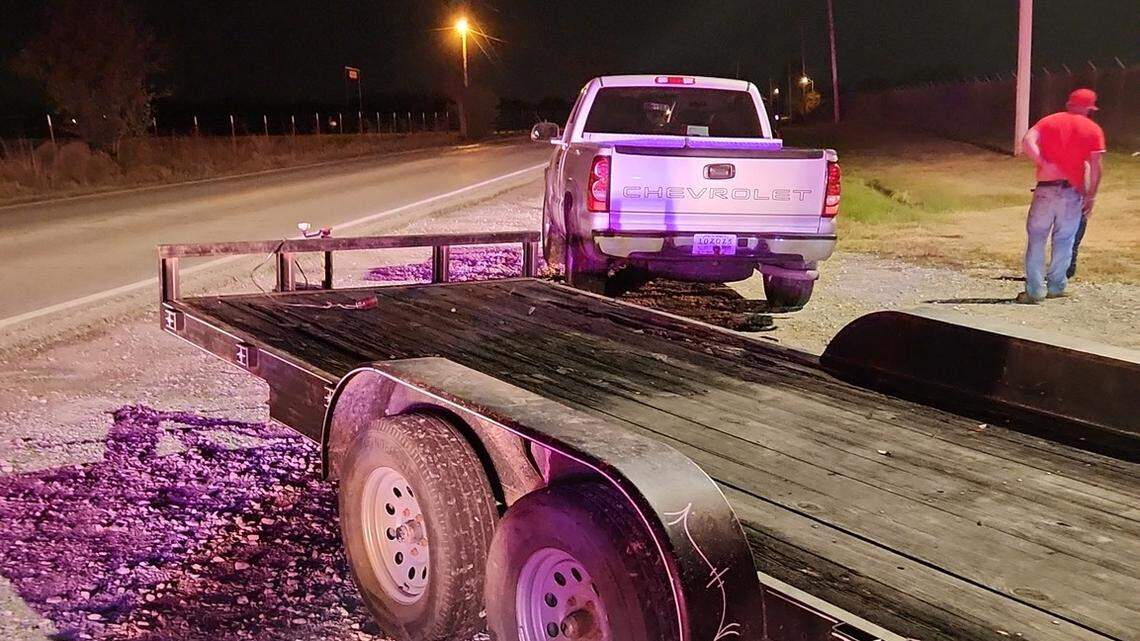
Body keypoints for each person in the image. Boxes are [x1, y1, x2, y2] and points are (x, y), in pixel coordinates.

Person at [1016, 88, 1106, 303]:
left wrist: (1043, 162)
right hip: (1073, 191)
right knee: (1065, 240)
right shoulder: (1093, 129)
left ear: (1069, 104)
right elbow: (1096, 167)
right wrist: (1091, 195)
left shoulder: (1048, 122)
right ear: (1088, 108)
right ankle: (1057, 286)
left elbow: (1028, 141)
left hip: (1046, 187)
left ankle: (1035, 290)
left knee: (1037, 239)